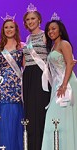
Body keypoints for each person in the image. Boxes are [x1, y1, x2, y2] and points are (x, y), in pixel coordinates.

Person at [0, 14, 24, 150]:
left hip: (16, 83)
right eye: (6, 27)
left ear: (16, 29)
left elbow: (25, 67)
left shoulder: (22, 46)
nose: (9, 29)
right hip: (2, 84)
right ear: (3, 30)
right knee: (3, 110)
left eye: (11, 27)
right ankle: (1, 143)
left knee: (15, 110)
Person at [41, 13, 77, 150]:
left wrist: (64, 84)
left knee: (64, 114)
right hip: (58, 84)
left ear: (60, 30)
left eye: (54, 29)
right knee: (56, 116)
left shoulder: (64, 43)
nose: (51, 32)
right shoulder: (53, 46)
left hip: (66, 84)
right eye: (49, 30)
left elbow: (69, 63)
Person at [22, 3, 51, 150]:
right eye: (27, 20)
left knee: (40, 111)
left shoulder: (46, 35)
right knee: (30, 113)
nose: (30, 21)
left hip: (41, 75)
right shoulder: (27, 39)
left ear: (39, 19)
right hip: (28, 76)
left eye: (33, 18)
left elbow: (54, 55)